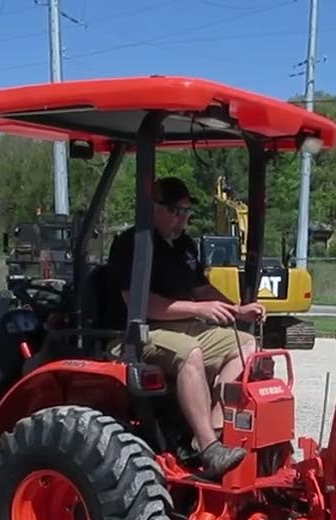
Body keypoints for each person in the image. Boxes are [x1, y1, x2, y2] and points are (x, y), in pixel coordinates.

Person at [105, 177, 266, 479]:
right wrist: (198, 309)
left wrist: (237, 310)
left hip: (182, 326)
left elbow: (202, 290)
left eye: (186, 212)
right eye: (175, 211)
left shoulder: (185, 246)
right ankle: (209, 449)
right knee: (190, 352)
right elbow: (141, 305)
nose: (182, 219)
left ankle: (214, 431)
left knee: (246, 346)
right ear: (153, 208)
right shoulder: (132, 244)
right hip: (136, 331)